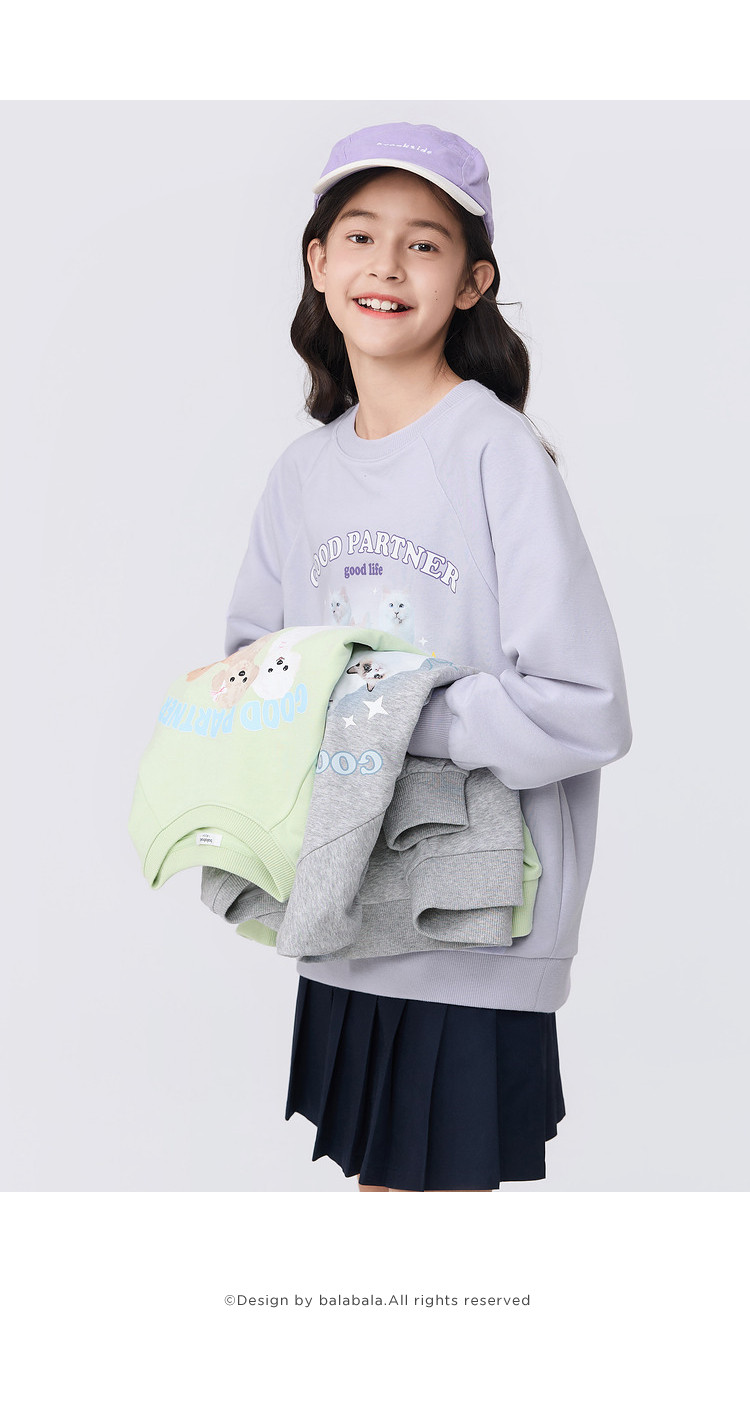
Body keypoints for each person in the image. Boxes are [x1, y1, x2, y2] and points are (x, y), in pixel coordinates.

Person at [223, 121, 633, 1192]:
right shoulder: (301, 476)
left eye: (424, 243)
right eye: (361, 236)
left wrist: (393, 709)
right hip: (348, 908)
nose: (387, 265)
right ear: (319, 263)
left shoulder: (492, 450)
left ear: (471, 282)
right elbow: (258, 670)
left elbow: (585, 706)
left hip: (474, 926)